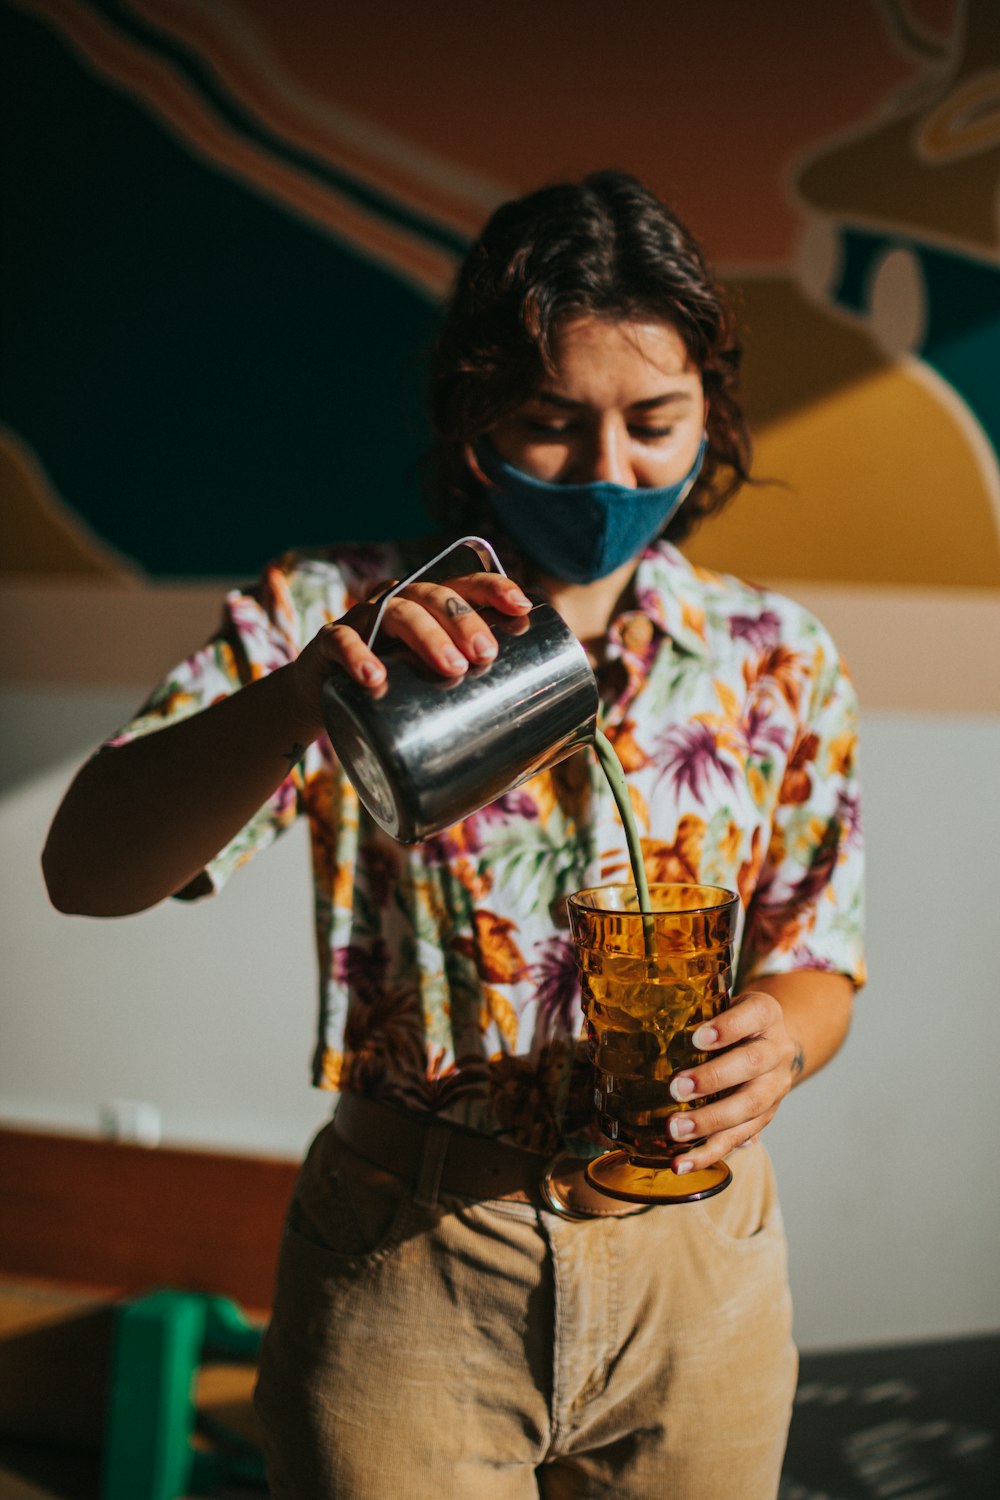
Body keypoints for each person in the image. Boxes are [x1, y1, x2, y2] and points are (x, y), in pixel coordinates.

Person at [42, 170, 865, 1499]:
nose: (610, 472)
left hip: (698, 1273)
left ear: (714, 410)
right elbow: (85, 871)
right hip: (411, 1262)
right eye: (553, 421)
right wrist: (309, 690)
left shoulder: (774, 657)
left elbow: (819, 954)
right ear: (473, 410)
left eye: (656, 421)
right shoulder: (339, 614)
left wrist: (783, 1041)